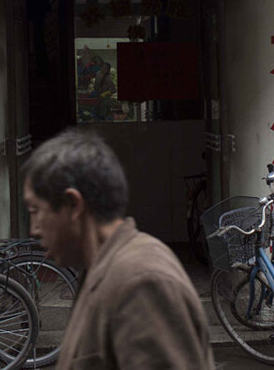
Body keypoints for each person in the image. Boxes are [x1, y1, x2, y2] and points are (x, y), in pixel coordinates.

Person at [22, 129, 215, 370]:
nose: (34, 229)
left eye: (35, 211)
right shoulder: (99, 270)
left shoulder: (141, 281)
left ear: (73, 205)